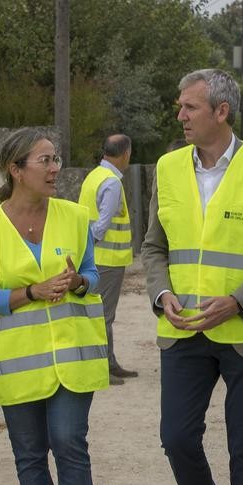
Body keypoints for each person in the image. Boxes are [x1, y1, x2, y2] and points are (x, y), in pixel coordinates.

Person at [141, 68, 243, 485]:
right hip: (184, 332)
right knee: (176, 439)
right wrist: (161, 292)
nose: (181, 116)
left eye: (190, 107)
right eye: (181, 107)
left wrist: (238, 301)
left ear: (221, 111)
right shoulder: (168, 167)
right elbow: (154, 246)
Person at [0, 128, 108, 485]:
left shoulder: (76, 217)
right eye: (45, 160)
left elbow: (92, 275)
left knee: (68, 442)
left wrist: (78, 282)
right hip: (18, 365)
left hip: (71, 360)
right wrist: (33, 291)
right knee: (29, 454)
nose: (55, 168)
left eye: (55, 159)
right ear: (16, 170)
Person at [78, 134, 137, 386]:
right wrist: (91, 247)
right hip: (107, 259)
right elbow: (101, 225)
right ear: (125, 154)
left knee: (102, 313)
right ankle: (103, 366)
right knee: (104, 314)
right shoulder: (112, 182)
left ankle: (109, 362)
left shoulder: (95, 176)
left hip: (98, 257)